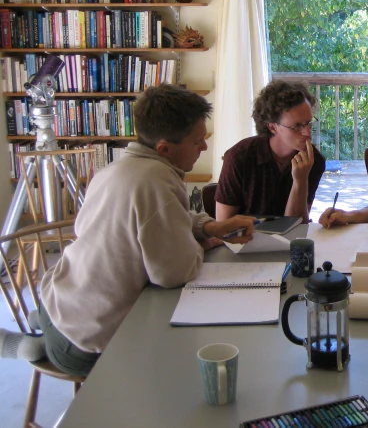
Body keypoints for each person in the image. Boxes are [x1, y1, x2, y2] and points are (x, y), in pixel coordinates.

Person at [31, 85, 256, 376]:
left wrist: (206, 225)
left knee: (54, 332)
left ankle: (37, 340)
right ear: (165, 148)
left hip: (56, 299)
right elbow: (174, 274)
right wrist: (198, 244)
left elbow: (158, 217)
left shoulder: (115, 169)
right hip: (87, 343)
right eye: (198, 141)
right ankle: (45, 346)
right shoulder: (157, 182)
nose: (204, 147)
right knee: (174, 365)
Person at [215, 80, 326, 223]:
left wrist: (300, 181)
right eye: (297, 126)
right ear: (273, 128)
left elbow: (297, 226)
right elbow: (224, 225)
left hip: (290, 243)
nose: (307, 132)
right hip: (244, 241)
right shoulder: (239, 157)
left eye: (309, 123)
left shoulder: (313, 161)